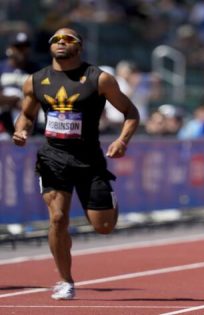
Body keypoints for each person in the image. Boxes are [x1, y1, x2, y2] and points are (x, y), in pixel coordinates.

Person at [12, 28, 139, 300]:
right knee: (58, 218)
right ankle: (65, 280)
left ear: (79, 47)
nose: (61, 43)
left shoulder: (99, 79)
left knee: (103, 227)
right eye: (56, 40)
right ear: (49, 47)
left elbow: (131, 112)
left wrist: (122, 141)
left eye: (68, 39)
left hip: (89, 159)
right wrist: (21, 130)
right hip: (53, 157)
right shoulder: (35, 81)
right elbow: (26, 115)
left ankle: (110, 201)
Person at [0, 32, 41, 139]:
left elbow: (42, 96)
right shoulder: (1, 67)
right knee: (11, 91)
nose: (22, 51)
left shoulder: (36, 70)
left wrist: (27, 103)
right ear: (10, 48)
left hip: (28, 124)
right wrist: (14, 100)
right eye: (18, 47)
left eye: (25, 47)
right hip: (3, 122)